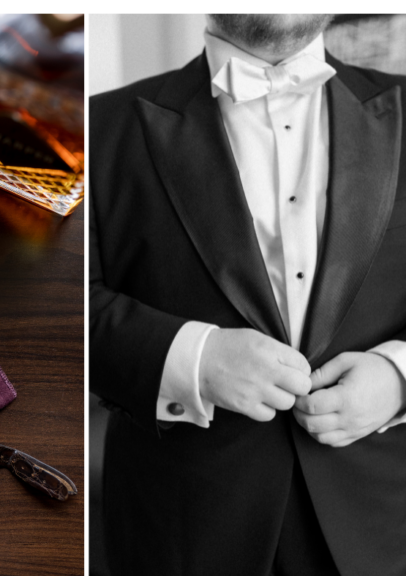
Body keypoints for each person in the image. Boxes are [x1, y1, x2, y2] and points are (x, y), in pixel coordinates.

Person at [90, 14, 406, 576]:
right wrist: (195, 359)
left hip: (386, 525)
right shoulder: (93, 127)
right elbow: (48, 312)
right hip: (181, 534)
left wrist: (400, 378)